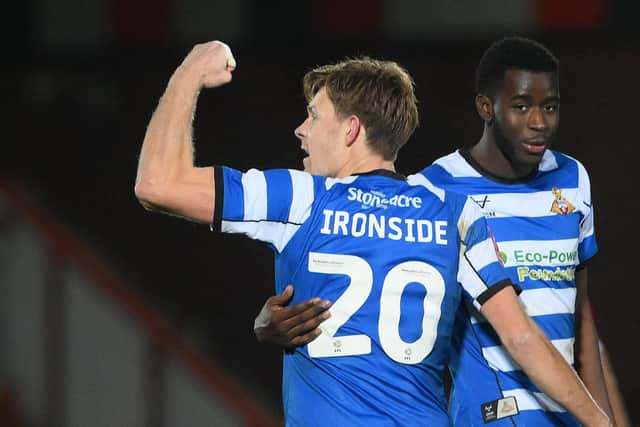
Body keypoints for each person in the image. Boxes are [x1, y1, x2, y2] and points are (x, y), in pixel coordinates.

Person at [134, 41, 611, 426]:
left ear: (350, 130)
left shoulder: (303, 199)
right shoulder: (452, 212)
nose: (301, 130)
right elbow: (524, 339)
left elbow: (156, 185)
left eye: (315, 116)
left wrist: (189, 74)